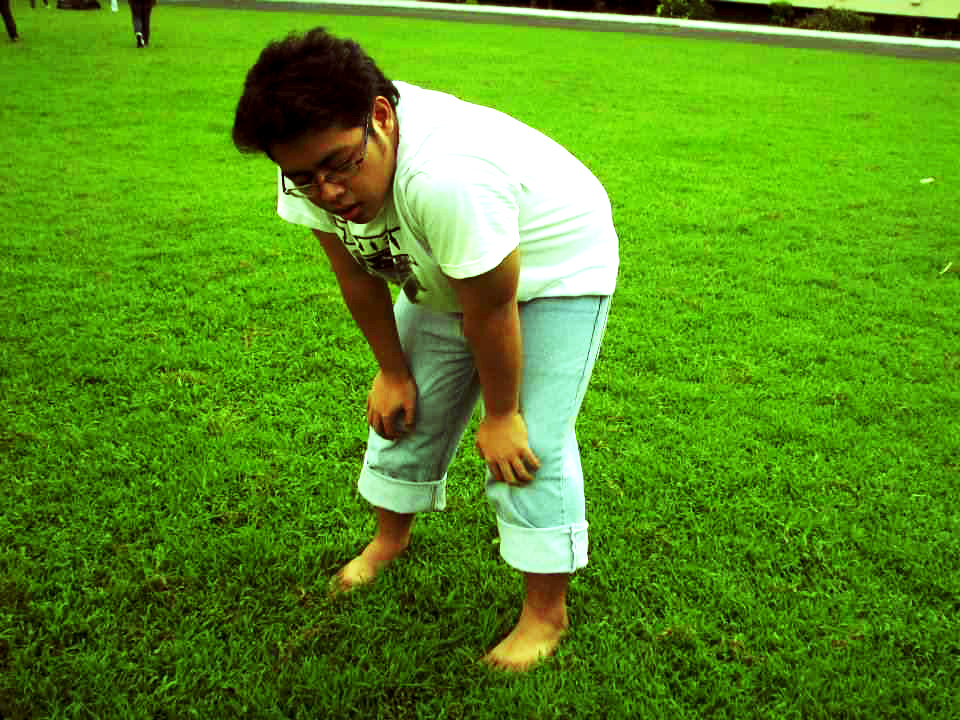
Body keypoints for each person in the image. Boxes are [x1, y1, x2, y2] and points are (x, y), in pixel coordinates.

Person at [232, 28, 619, 672]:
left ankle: (545, 614)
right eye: (304, 177)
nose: (328, 192)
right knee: (404, 409)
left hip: (555, 266)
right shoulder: (310, 167)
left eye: (340, 166)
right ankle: (390, 540)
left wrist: (501, 413)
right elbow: (354, 271)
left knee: (530, 443)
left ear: (381, 117)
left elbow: (490, 307)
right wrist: (392, 370)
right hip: (451, 256)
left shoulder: (446, 176)